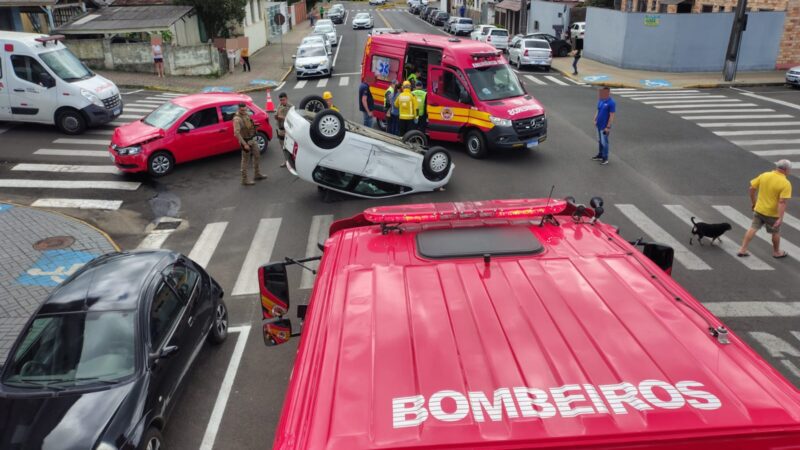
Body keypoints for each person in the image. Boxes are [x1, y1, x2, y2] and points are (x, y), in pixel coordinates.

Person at [737, 160, 793, 259]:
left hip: (759, 209)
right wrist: (780, 218)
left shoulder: (764, 175)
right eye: (790, 169)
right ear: (786, 170)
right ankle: (776, 252)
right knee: (775, 232)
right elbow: (782, 202)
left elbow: (752, 189)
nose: (790, 171)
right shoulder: (785, 183)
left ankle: (742, 249)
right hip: (772, 214)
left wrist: (754, 203)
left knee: (753, 228)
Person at [233, 102, 266, 185]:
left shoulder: (246, 115)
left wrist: (255, 126)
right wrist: (244, 144)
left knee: (257, 155)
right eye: (242, 110)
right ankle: (244, 180)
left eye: (245, 110)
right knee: (245, 160)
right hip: (245, 141)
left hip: (252, 139)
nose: (244, 111)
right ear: (239, 109)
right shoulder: (237, 119)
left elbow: (248, 125)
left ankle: (257, 174)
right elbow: (236, 133)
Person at [592, 87, 615, 165]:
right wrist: (595, 119)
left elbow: (612, 116)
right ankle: (600, 155)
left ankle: (605, 158)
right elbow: (598, 110)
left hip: (604, 126)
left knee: (604, 142)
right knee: (600, 141)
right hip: (598, 124)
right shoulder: (601, 100)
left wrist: (608, 127)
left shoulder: (611, 103)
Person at [275, 92, 293, 168]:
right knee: (283, 147)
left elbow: (293, 119)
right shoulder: (279, 106)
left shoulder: (291, 107)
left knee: (290, 147)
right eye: (281, 100)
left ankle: (292, 162)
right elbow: (276, 116)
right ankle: (286, 161)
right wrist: (276, 117)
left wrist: (282, 117)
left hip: (288, 131)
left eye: (283, 100)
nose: (282, 101)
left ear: (287, 98)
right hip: (280, 130)